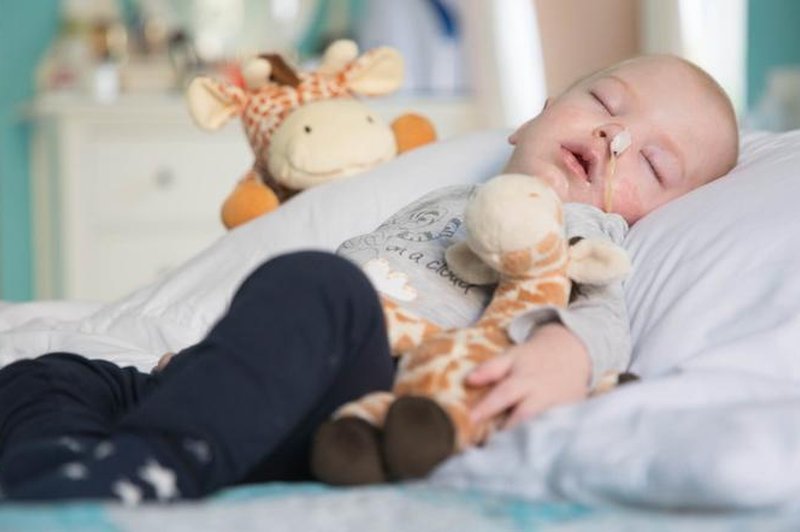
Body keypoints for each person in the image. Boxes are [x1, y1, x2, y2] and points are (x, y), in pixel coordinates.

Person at [0, 55, 738, 503]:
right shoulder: (444, 196)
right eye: (606, 106)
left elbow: (605, 313)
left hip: (357, 391)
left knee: (322, 287)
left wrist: (564, 355)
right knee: (52, 374)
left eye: (652, 165)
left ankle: (161, 462)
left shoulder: (586, 230)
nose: (617, 137)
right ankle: (63, 481)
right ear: (533, 121)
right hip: (231, 384)